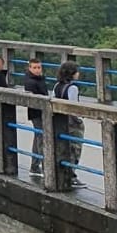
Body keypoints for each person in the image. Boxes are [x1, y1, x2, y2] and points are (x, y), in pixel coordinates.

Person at [52, 61, 85, 191]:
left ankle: (63, 175)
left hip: (60, 122)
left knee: (63, 149)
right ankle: (71, 176)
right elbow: (73, 107)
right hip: (72, 123)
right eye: (77, 71)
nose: (78, 73)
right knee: (75, 150)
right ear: (72, 73)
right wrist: (79, 120)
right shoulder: (73, 88)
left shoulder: (57, 86)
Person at [22, 57, 48, 174]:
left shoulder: (39, 79)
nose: (37, 70)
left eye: (39, 67)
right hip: (37, 112)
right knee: (41, 139)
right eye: (35, 68)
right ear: (30, 68)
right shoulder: (31, 82)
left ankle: (35, 165)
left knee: (38, 137)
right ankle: (41, 166)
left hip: (40, 112)